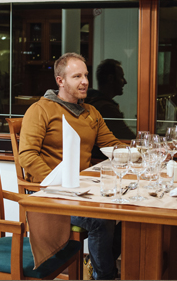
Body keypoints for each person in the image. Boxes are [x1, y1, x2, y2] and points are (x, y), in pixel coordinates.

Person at [19, 52, 122, 280]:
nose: (84, 81)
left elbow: (111, 145)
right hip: (49, 196)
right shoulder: (41, 110)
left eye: (85, 75)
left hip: (80, 192)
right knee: (100, 220)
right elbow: (26, 156)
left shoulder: (90, 112)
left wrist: (142, 153)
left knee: (132, 215)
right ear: (60, 81)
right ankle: (105, 276)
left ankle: (100, 270)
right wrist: (60, 183)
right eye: (77, 76)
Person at [85, 59, 135, 139]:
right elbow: (128, 139)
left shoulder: (96, 103)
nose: (125, 82)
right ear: (111, 78)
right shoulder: (106, 108)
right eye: (121, 77)